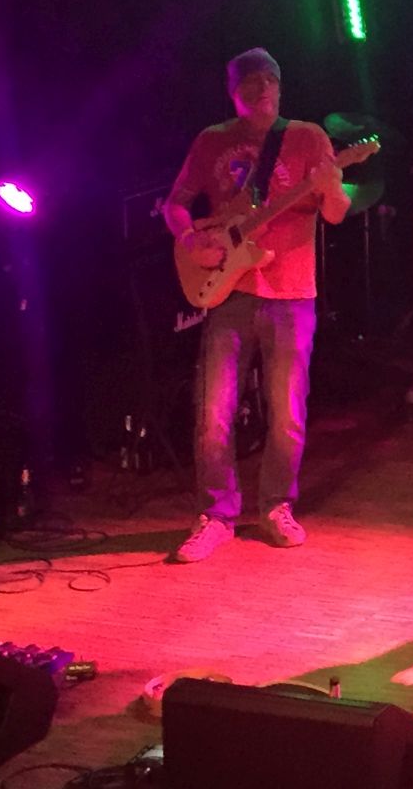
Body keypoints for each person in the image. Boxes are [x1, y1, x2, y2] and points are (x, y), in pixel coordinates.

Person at [163, 47, 350, 564]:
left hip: (292, 292)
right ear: (234, 92)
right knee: (213, 412)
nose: (262, 88)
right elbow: (176, 203)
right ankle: (215, 515)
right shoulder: (212, 140)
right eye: (250, 82)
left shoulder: (307, 137)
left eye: (269, 80)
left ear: (280, 86)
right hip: (230, 291)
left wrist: (332, 187)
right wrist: (190, 241)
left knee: (287, 413)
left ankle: (275, 507)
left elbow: (335, 213)